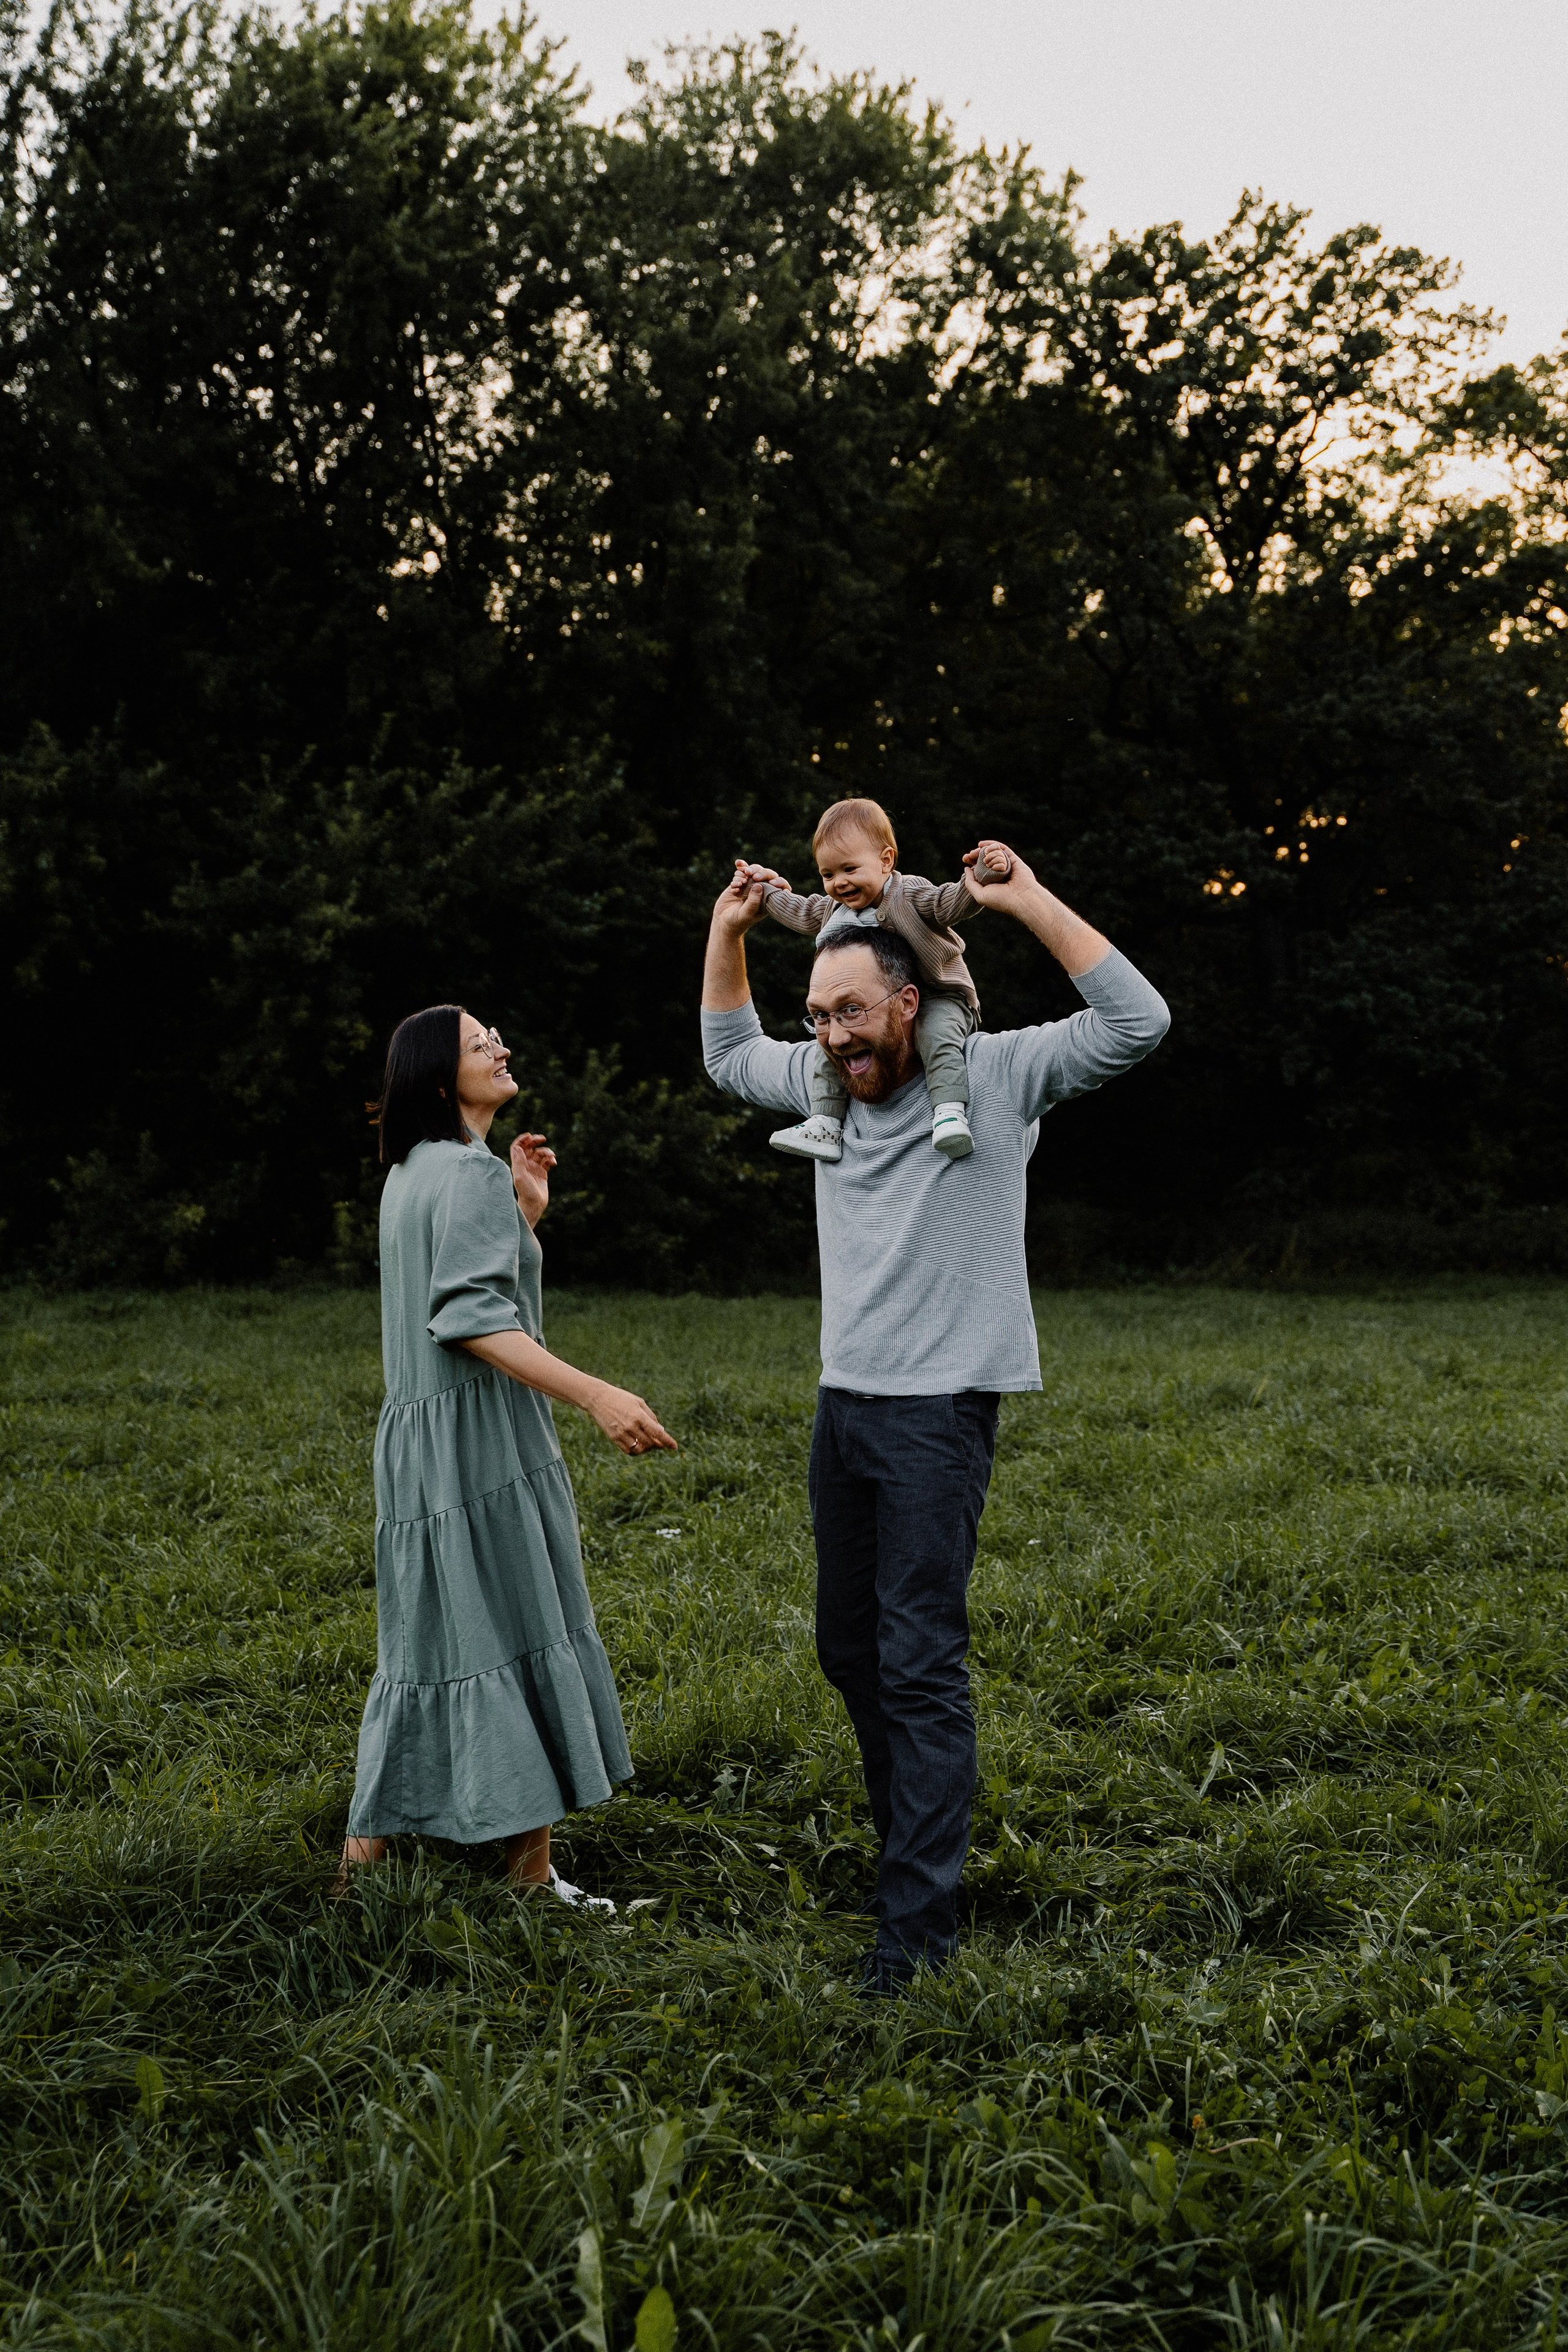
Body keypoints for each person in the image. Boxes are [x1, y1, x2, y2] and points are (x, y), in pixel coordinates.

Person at [701, 841, 1169, 1993]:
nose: (833, 1038)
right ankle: (912, 1844)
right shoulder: (825, 1087)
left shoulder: (997, 1077)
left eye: (853, 1014)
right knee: (850, 1650)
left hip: (938, 1413)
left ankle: (917, 1932)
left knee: (917, 1661)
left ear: (910, 1003)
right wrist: (729, 930)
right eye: (817, 1017)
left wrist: (1025, 899)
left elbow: (1137, 1021)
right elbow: (724, 1053)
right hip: (842, 1405)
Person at [336, 1005, 676, 1905]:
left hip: (419, 1446)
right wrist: (598, 1394)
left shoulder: (412, 1174)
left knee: (423, 1649)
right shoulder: (466, 1174)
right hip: (484, 1444)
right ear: (440, 1077)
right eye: (479, 1041)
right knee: (520, 1633)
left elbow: (463, 1296)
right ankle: (529, 1885)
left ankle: (358, 1875)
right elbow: (474, 1321)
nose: (500, 1047)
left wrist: (524, 1216)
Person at [735, 795, 1008, 1166]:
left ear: (885, 861)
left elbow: (952, 902)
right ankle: (826, 1124)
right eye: (828, 875)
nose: (839, 884)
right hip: (872, 1010)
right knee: (830, 1046)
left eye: (849, 869)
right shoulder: (835, 909)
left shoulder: (908, 894)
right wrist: (760, 891)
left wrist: (984, 875)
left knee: (936, 1037)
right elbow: (800, 910)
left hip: (938, 994)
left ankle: (948, 1112)